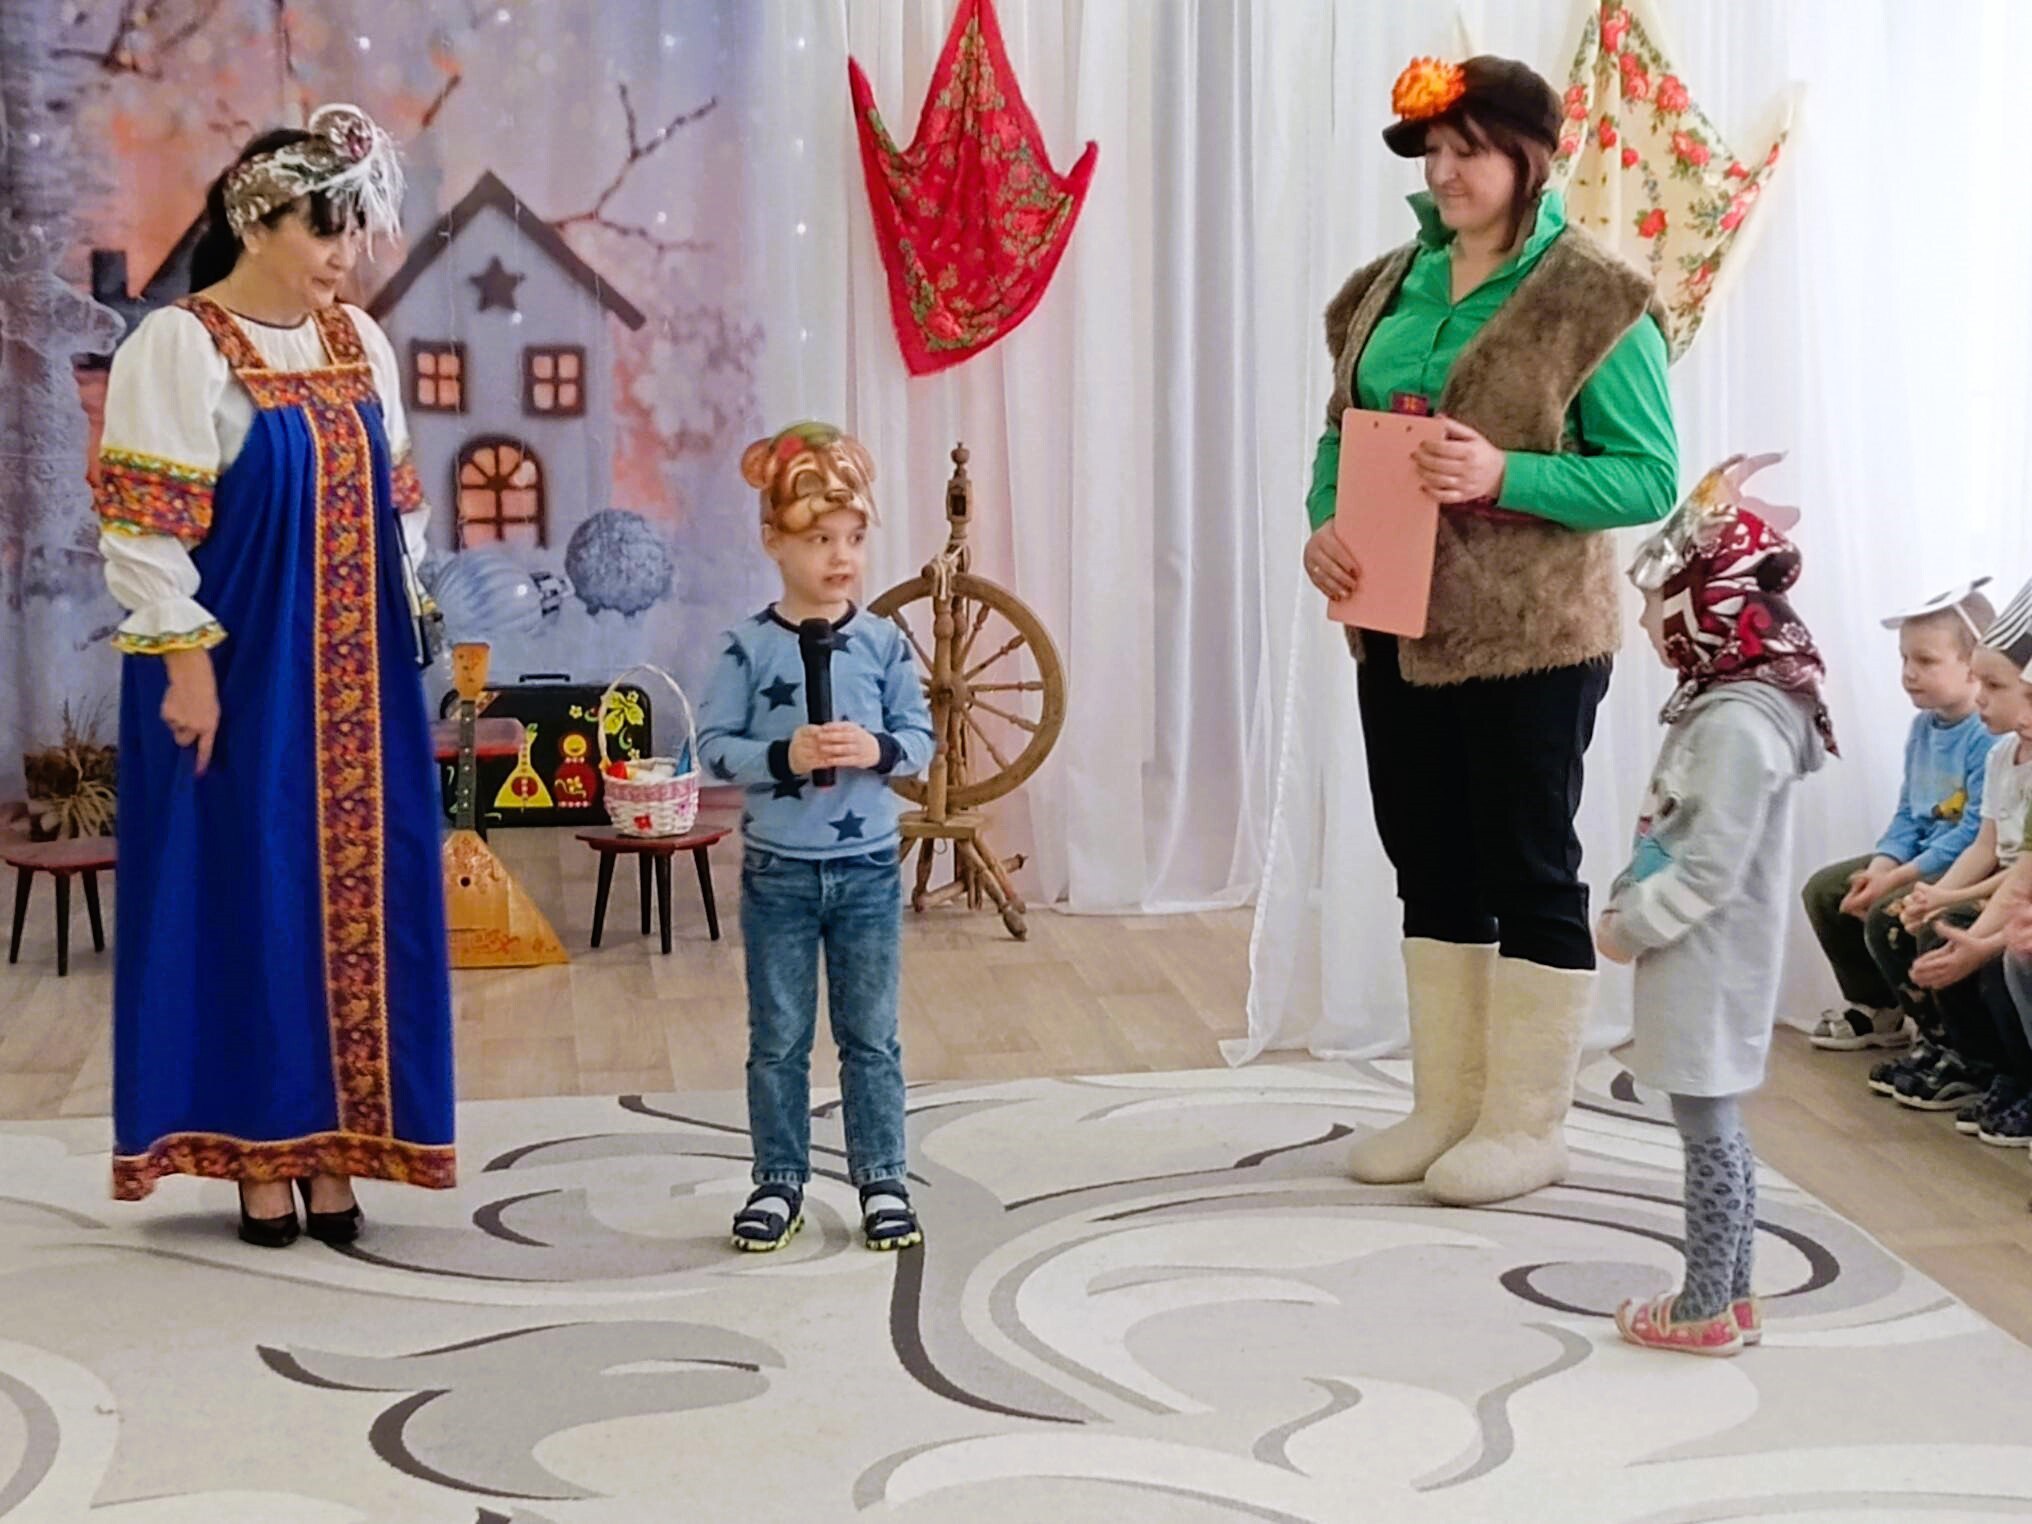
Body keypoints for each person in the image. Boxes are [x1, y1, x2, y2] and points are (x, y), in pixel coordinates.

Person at [1312, 56, 1679, 1205]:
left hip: (1532, 636)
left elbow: (1646, 476)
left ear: (1531, 156)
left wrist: (1503, 473)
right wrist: (1324, 527)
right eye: (1432, 150)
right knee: (1425, 859)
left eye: (1468, 148)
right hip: (1394, 621)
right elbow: (1341, 434)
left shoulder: (1597, 298)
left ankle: (1525, 1125)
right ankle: (1448, 1105)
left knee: (1526, 863)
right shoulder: (1385, 286)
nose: (1444, 170)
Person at [95, 107, 454, 1245]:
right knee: (248, 894)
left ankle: (341, 1144)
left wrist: (410, 624)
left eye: (355, 232)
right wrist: (186, 667)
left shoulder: (360, 343)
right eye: (324, 229)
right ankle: (259, 1151)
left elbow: (400, 512)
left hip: (360, 678)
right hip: (235, 672)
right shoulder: (180, 346)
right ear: (256, 222)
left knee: (358, 899)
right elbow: (145, 531)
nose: (345, 255)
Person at [1594, 458, 1833, 1356]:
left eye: (1661, 606)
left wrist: (1630, 927)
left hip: (1709, 955)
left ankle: (1703, 1307)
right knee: (1712, 1124)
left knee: (1709, 1131)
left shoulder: (1737, 724)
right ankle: (1731, 1298)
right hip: (1708, 953)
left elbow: (1707, 863)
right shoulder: (1730, 706)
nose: (1649, 626)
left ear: (1711, 603)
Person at [697, 422, 935, 1253]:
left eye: (854, 539)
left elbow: (922, 738)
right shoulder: (746, 646)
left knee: (872, 1037)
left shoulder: (883, 643)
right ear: (774, 541)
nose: (841, 556)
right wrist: (781, 755)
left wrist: (877, 749)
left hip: (867, 870)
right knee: (778, 1040)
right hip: (779, 876)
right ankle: (778, 1179)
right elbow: (711, 747)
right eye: (820, 539)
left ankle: (883, 1177)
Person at [1800, 583, 1993, 1050]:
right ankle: (1878, 1009)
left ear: (1974, 665)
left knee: (1889, 915)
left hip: (1963, 864)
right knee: (1827, 891)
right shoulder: (1923, 728)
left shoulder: (1989, 735)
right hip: (1922, 857)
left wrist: (1896, 880)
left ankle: (1939, 1035)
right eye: (1904, 659)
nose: (1908, 673)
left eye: (1925, 661)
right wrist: (1879, 869)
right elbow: (1908, 813)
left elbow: (1973, 834)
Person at [1870, 579, 2032, 1130]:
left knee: (1996, 957)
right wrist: (1935, 893)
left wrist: (1975, 932)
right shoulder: (2002, 755)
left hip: (2009, 892)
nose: (1983, 697)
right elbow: (1998, 852)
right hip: (2007, 886)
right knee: (1913, 919)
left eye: (1996, 685)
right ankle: (1958, 1053)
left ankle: (2004, 1070)